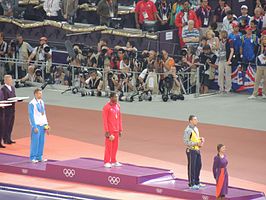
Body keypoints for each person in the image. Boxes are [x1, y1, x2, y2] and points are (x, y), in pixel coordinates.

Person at [183, 115, 205, 190]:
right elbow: (186, 142)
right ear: (190, 121)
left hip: (197, 150)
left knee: (198, 165)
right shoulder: (187, 130)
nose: (197, 121)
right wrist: (196, 144)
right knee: (192, 167)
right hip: (191, 150)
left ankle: (197, 182)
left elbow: (195, 138)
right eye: (195, 119)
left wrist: (200, 139)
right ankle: (191, 184)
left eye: (196, 119)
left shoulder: (196, 128)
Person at [28, 88, 49, 163]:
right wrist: (34, 126)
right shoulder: (32, 103)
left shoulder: (41, 102)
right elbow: (31, 116)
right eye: (39, 93)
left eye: (41, 93)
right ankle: (33, 157)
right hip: (36, 125)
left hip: (42, 125)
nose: (41, 95)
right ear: (35, 94)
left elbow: (44, 114)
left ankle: (39, 157)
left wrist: (46, 125)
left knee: (41, 142)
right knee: (35, 142)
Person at [102, 92, 122, 168]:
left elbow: (119, 118)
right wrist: (106, 131)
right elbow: (105, 120)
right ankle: (107, 161)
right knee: (108, 146)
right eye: (115, 97)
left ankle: (113, 160)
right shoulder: (106, 107)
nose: (117, 99)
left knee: (115, 146)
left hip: (116, 130)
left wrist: (120, 129)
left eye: (117, 97)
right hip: (110, 130)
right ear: (111, 98)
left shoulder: (118, 106)